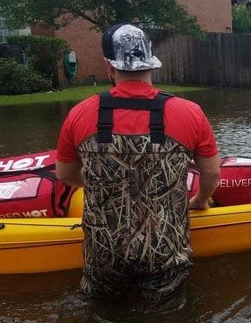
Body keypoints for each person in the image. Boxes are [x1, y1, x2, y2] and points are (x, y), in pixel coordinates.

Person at [56, 22, 220, 300]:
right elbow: (211, 174)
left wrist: (103, 185)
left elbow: (64, 174)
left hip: (104, 252)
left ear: (109, 67)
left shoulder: (79, 113)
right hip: (164, 252)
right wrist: (201, 199)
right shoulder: (190, 113)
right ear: (152, 64)